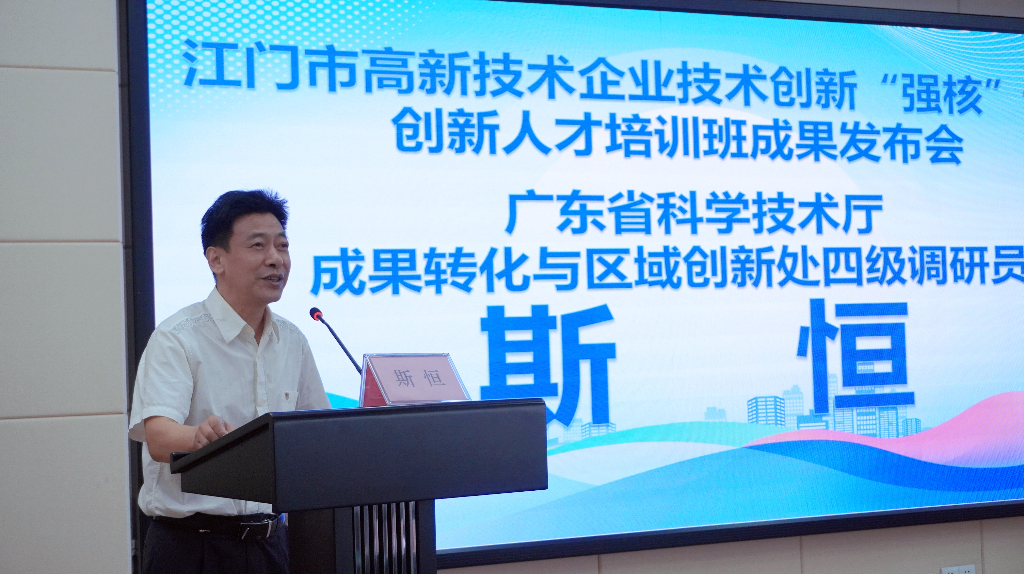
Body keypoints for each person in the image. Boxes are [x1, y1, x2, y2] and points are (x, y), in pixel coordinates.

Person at [128, 189, 330, 574]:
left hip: (270, 544)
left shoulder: (292, 340)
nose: (276, 258)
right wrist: (198, 437)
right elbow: (158, 438)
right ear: (216, 259)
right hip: (193, 548)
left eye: (282, 245)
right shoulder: (177, 337)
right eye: (258, 245)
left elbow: (316, 433)